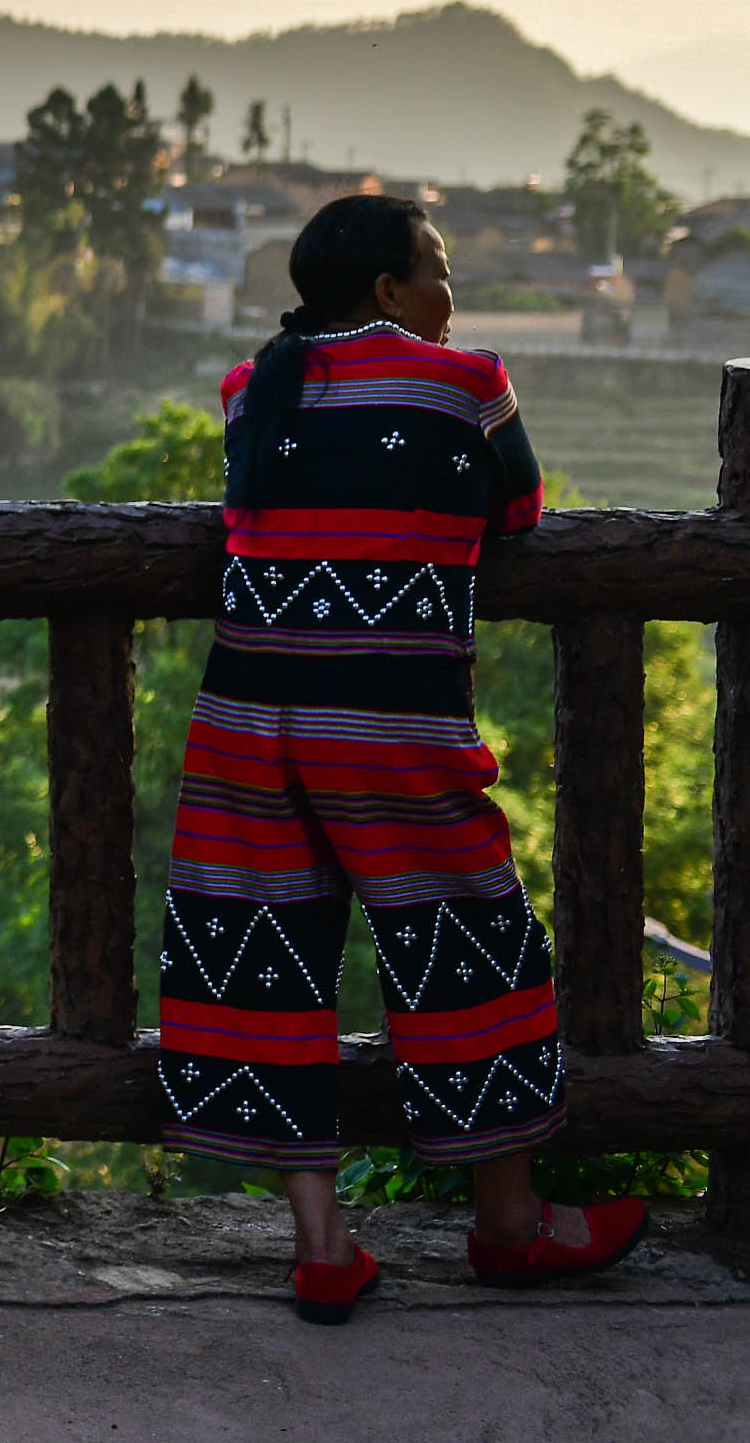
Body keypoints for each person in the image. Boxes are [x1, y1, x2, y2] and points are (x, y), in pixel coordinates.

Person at [156, 191, 645, 1321]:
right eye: (438, 266)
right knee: (473, 942)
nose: (449, 289)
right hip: (387, 724)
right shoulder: (468, 380)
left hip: (246, 717)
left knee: (264, 957)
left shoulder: (250, 387)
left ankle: (324, 1245)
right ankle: (511, 1226)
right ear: (390, 289)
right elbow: (519, 513)